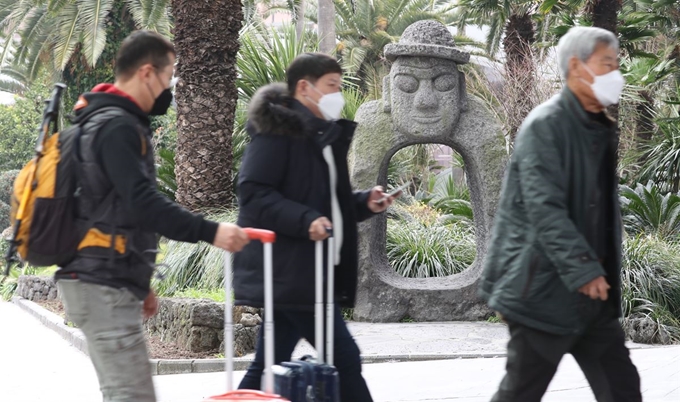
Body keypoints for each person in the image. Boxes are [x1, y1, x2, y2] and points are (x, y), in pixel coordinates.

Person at [55, 31, 250, 402]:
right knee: (132, 397)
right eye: (170, 74)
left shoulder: (102, 120)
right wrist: (212, 231)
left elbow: (110, 209)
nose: (171, 85)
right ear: (147, 72)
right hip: (101, 282)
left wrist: (140, 281)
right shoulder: (116, 125)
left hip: (104, 276)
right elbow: (143, 201)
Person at [479, 26, 642, 402]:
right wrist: (584, 268)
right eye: (607, 64)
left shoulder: (596, 126)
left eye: (616, 65)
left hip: (591, 297)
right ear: (576, 67)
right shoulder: (547, 125)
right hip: (544, 291)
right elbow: (543, 207)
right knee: (520, 392)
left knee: (622, 390)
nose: (615, 74)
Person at [233, 53, 396, 402]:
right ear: (304, 87)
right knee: (346, 360)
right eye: (332, 86)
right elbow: (253, 192)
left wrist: (364, 202)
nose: (338, 94)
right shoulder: (277, 132)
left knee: (267, 365)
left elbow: (323, 203)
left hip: (307, 273)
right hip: (294, 272)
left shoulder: (318, 137)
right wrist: (304, 221)